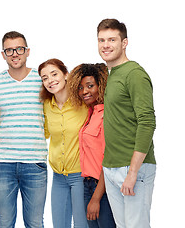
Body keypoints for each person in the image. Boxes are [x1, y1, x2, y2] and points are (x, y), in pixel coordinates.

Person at [0, 31, 48, 228]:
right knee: (4, 223)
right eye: (9, 50)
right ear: (3, 54)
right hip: (3, 163)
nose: (15, 54)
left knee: (35, 223)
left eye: (19, 49)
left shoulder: (42, 79)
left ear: (27, 51)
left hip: (35, 162)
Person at [97, 18, 156, 227]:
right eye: (101, 40)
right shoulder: (112, 75)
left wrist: (132, 172)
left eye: (112, 39)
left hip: (133, 168)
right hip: (112, 167)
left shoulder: (134, 74)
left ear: (124, 43)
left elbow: (147, 122)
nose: (106, 45)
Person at [38, 58, 88, 228]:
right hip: (58, 177)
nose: (50, 80)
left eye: (54, 74)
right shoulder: (46, 106)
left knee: (82, 225)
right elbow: (42, 133)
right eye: (45, 78)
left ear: (66, 74)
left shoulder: (83, 103)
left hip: (81, 176)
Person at [68, 63, 116, 227]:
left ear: (101, 86)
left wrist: (96, 198)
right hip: (87, 185)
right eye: (80, 88)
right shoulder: (90, 113)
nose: (84, 92)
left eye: (90, 86)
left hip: (102, 188)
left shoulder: (106, 115)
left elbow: (108, 160)